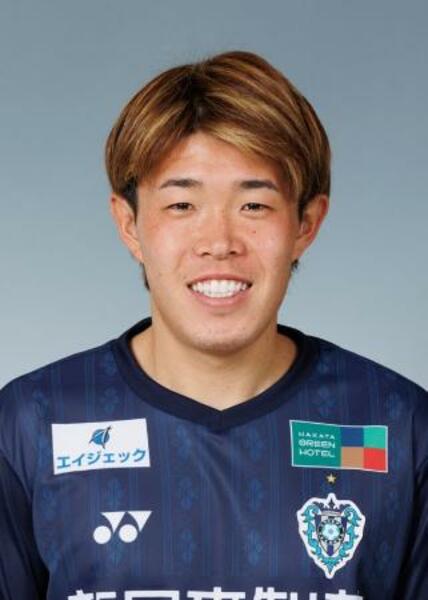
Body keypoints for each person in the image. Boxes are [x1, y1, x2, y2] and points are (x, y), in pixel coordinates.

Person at [0, 50, 426, 600]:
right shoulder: (33, 423)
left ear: (306, 223)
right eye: (182, 205)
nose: (219, 242)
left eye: (254, 206)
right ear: (129, 225)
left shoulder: (395, 425)